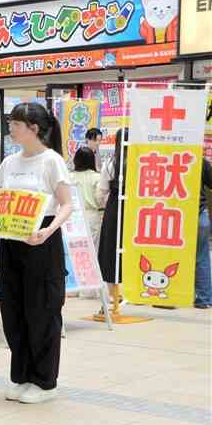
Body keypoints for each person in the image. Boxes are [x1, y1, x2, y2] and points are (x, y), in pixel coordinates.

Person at [0, 103, 73, 404]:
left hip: (42, 240)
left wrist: (47, 231)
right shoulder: (9, 162)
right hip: (11, 239)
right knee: (13, 310)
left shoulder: (51, 161)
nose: (11, 128)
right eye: (11, 122)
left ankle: (45, 381)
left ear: (34, 129)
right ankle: (22, 375)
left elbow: (66, 204)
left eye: (16, 123)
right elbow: (0, 197)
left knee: (42, 310)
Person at [97, 129, 127, 306]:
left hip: (114, 209)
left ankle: (114, 293)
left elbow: (101, 193)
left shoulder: (110, 164)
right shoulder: (140, 162)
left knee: (110, 250)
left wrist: (102, 205)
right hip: (136, 209)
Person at [70, 146, 103, 264]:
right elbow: (100, 199)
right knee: (92, 251)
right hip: (92, 216)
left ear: (76, 160)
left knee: (75, 250)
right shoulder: (97, 177)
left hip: (72, 216)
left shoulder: (69, 177)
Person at [194, 158, 212, 309]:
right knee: (202, 257)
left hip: (174, 217)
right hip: (201, 215)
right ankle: (204, 299)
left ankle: (172, 296)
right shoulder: (201, 161)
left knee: (172, 255)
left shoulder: (164, 158)